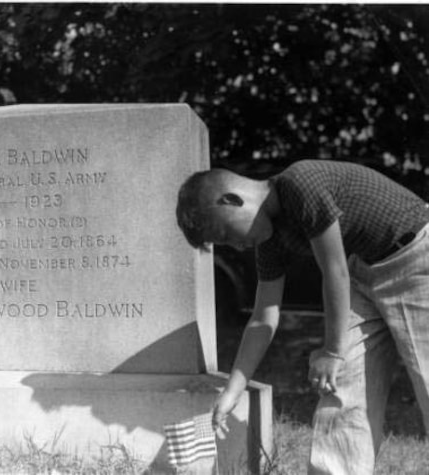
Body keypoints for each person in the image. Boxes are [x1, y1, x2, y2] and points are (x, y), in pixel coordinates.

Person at [175, 159, 429, 474]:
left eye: (227, 234)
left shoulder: (301, 184)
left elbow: (334, 271)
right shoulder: (270, 242)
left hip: (417, 256)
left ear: (231, 199)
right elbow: (263, 317)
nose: (237, 246)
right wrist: (232, 391)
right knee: (341, 387)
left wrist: (333, 351)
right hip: (363, 270)